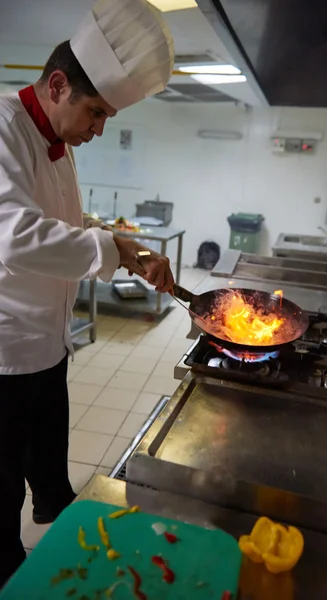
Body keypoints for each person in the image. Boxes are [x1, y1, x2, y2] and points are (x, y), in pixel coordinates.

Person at [0, 0, 175, 587]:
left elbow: (70, 236)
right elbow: (14, 236)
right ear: (57, 85)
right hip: (3, 358)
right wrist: (111, 249)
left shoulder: (61, 149)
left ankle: (63, 536)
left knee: (52, 480)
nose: (99, 130)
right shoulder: (2, 127)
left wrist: (130, 253)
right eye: (96, 113)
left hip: (48, 350)